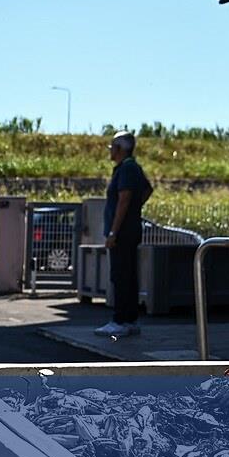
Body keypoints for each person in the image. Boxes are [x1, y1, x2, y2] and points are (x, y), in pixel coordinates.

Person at [95, 131, 153, 337]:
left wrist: (113, 231)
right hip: (131, 229)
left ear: (120, 148)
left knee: (120, 275)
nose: (110, 150)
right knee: (128, 274)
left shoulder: (126, 169)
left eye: (112, 147)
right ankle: (130, 318)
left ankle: (120, 319)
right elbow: (147, 189)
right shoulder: (133, 167)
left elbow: (124, 199)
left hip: (122, 231)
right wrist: (135, 209)